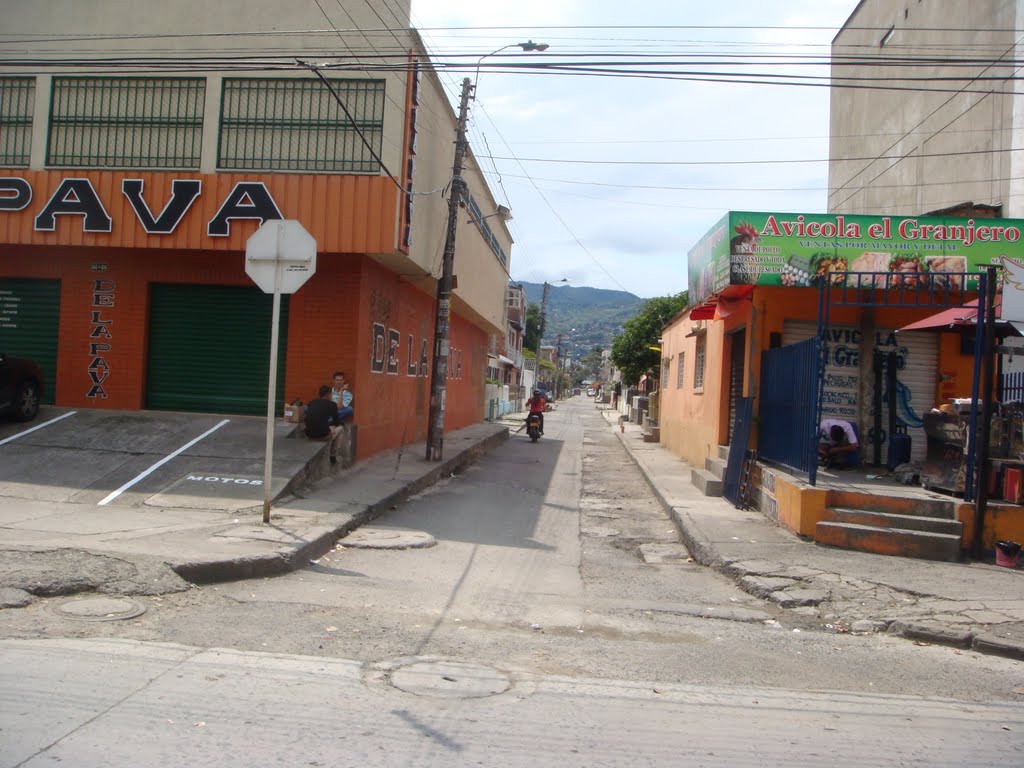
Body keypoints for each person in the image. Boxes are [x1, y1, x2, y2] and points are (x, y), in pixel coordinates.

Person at [306, 385, 344, 465]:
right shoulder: (332, 404)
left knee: (327, 426)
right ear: (328, 394)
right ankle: (333, 455)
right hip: (322, 436)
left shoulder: (311, 402)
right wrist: (339, 423)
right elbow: (337, 422)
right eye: (331, 394)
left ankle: (332, 455)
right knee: (340, 428)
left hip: (308, 434)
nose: (331, 396)